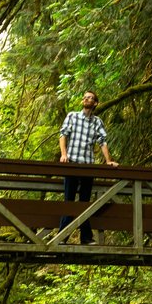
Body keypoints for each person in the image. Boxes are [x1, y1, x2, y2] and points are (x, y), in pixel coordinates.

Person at [58, 90, 118, 244]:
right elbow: (63, 135)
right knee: (69, 201)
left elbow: (102, 141)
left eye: (90, 98)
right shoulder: (72, 116)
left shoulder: (97, 121)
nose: (86, 99)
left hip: (88, 166)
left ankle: (85, 237)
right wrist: (63, 154)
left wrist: (108, 161)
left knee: (84, 202)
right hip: (71, 164)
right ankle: (62, 237)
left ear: (95, 103)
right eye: (85, 97)